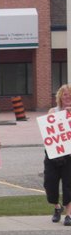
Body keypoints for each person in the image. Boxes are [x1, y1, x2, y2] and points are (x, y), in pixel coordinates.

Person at [43, 84, 71, 225]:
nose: (68, 97)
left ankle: (69, 215)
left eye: (70, 94)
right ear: (60, 96)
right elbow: (48, 129)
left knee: (68, 184)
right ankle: (57, 207)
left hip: (69, 156)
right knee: (50, 183)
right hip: (53, 154)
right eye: (65, 94)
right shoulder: (52, 111)